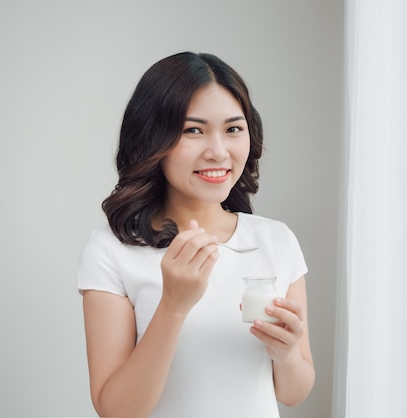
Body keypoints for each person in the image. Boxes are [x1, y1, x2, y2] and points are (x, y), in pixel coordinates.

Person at [77, 52, 315, 418]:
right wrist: (173, 305)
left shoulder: (276, 241)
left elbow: (294, 392)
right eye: (193, 130)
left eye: (233, 129)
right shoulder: (112, 249)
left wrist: (286, 351)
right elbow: (117, 410)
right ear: (153, 138)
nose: (218, 151)